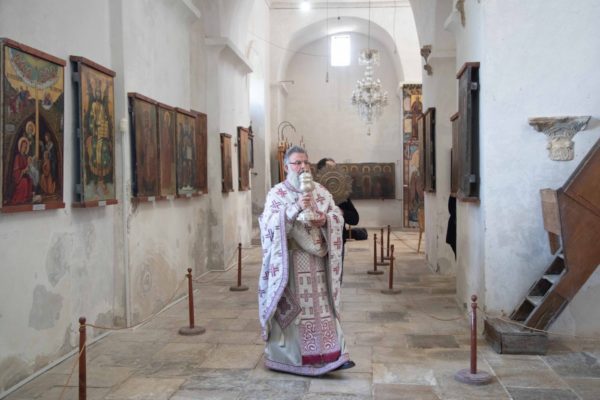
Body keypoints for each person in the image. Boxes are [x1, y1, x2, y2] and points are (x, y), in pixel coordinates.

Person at [258, 146, 355, 376]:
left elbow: (337, 215)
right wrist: (295, 208)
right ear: (286, 167)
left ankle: (333, 354)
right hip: (290, 266)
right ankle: (290, 358)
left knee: (323, 308)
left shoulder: (321, 191)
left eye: (305, 163)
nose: (302, 167)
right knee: (295, 313)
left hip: (318, 265)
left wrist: (326, 220)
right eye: (297, 163)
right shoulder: (277, 194)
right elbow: (269, 226)